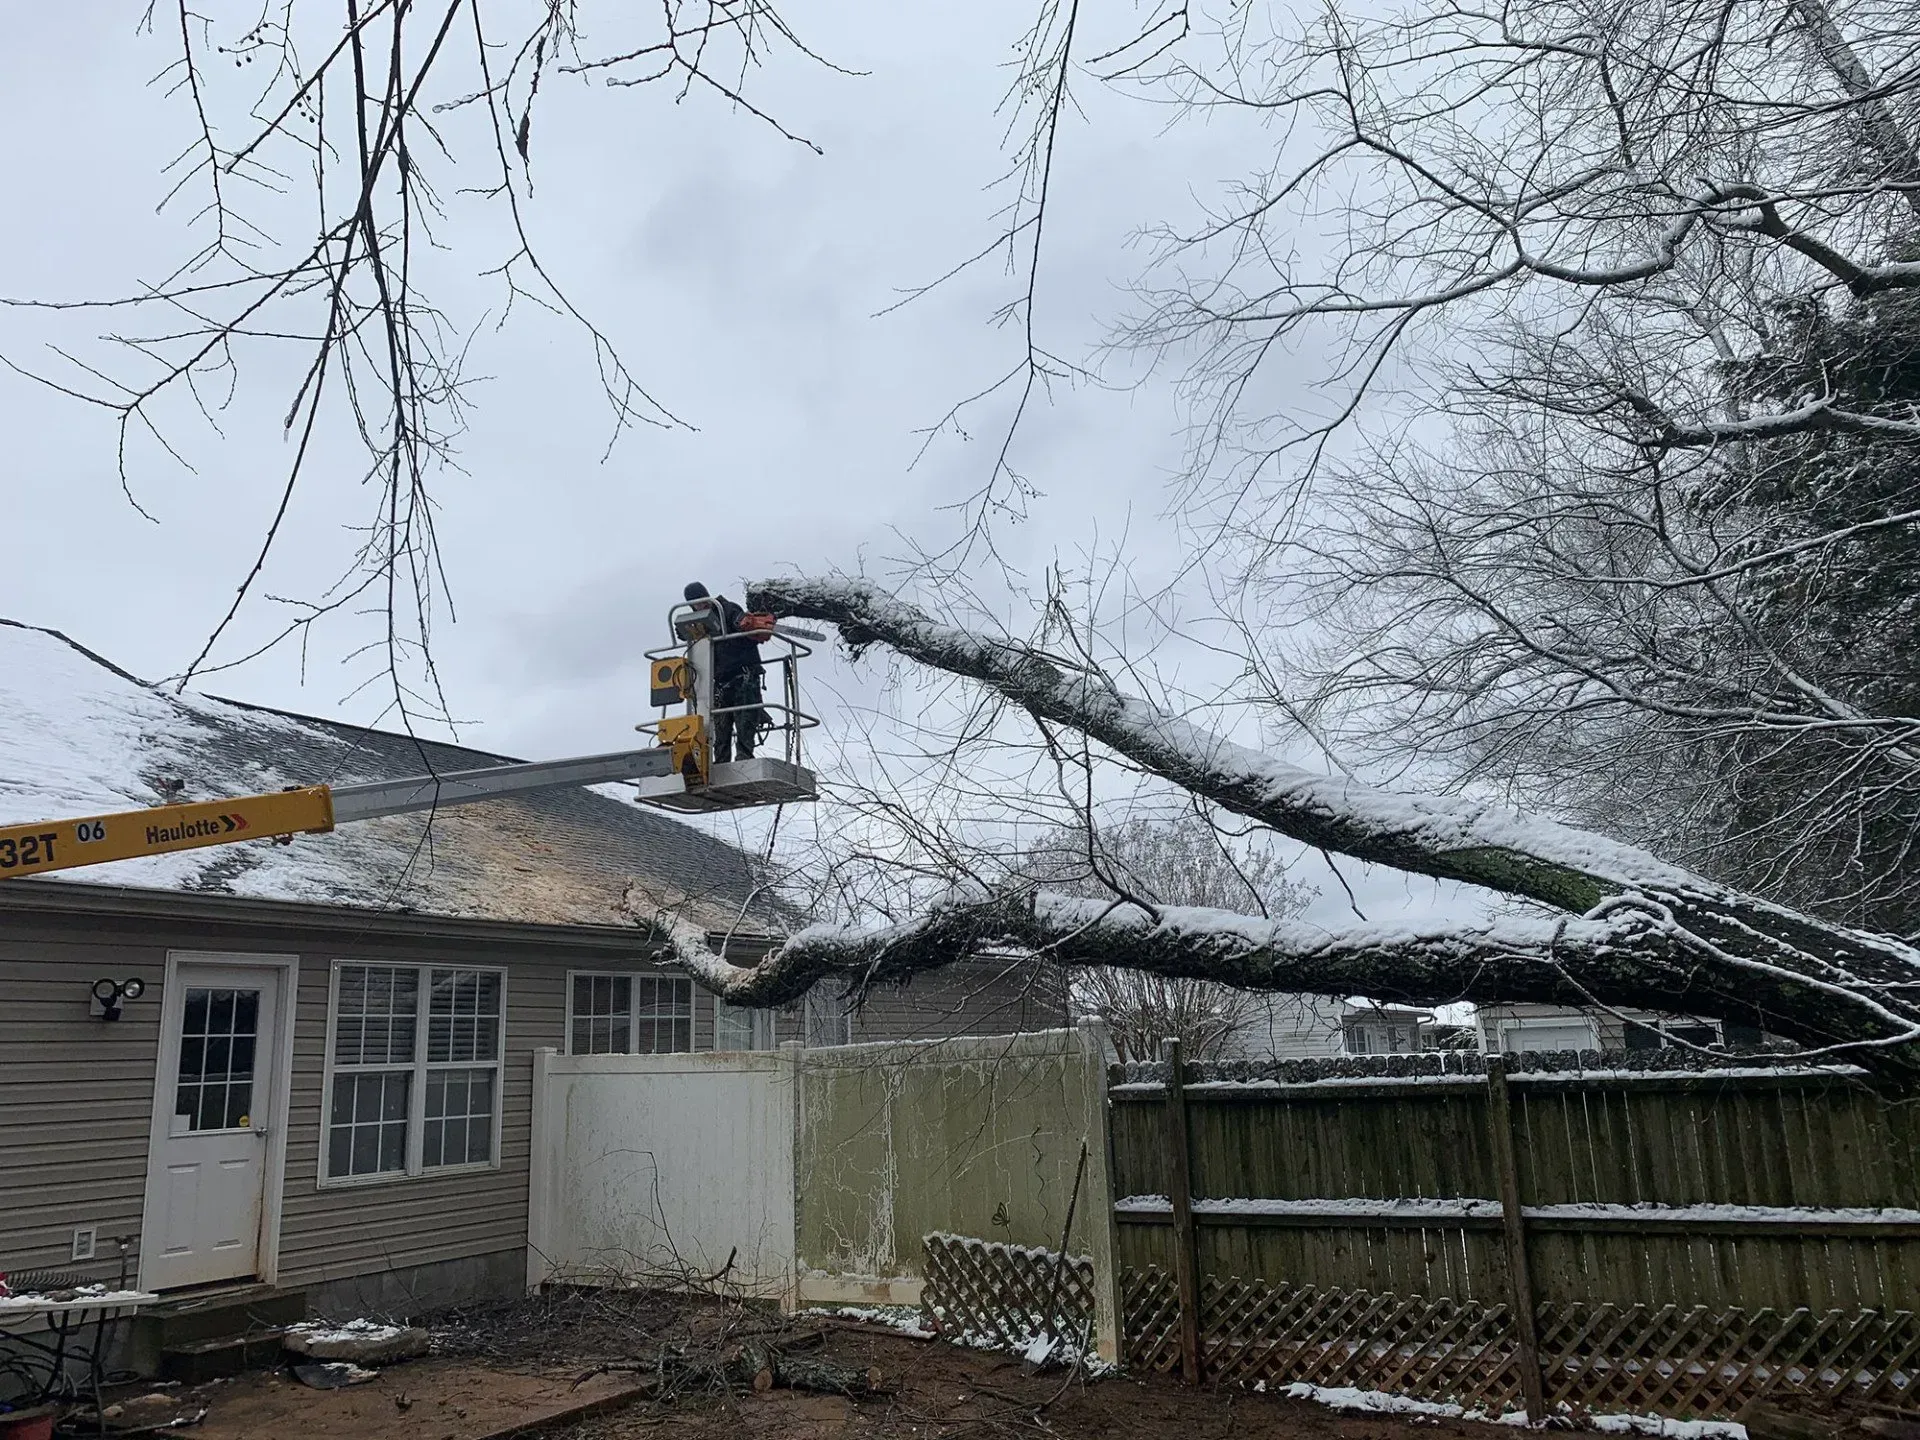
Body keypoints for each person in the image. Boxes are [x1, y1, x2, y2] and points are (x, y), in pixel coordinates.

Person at [682, 581, 767, 763]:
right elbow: (682, 632)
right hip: (720, 681)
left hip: (744, 675)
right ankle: (720, 761)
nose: (699, 605)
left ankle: (744, 758)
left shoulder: (726, 609)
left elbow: (738, 618)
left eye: (700, 600)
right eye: (694, 603)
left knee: (745, 721)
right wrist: (687, 628)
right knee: (721, 726)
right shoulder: (699, 620)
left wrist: (743, 622)